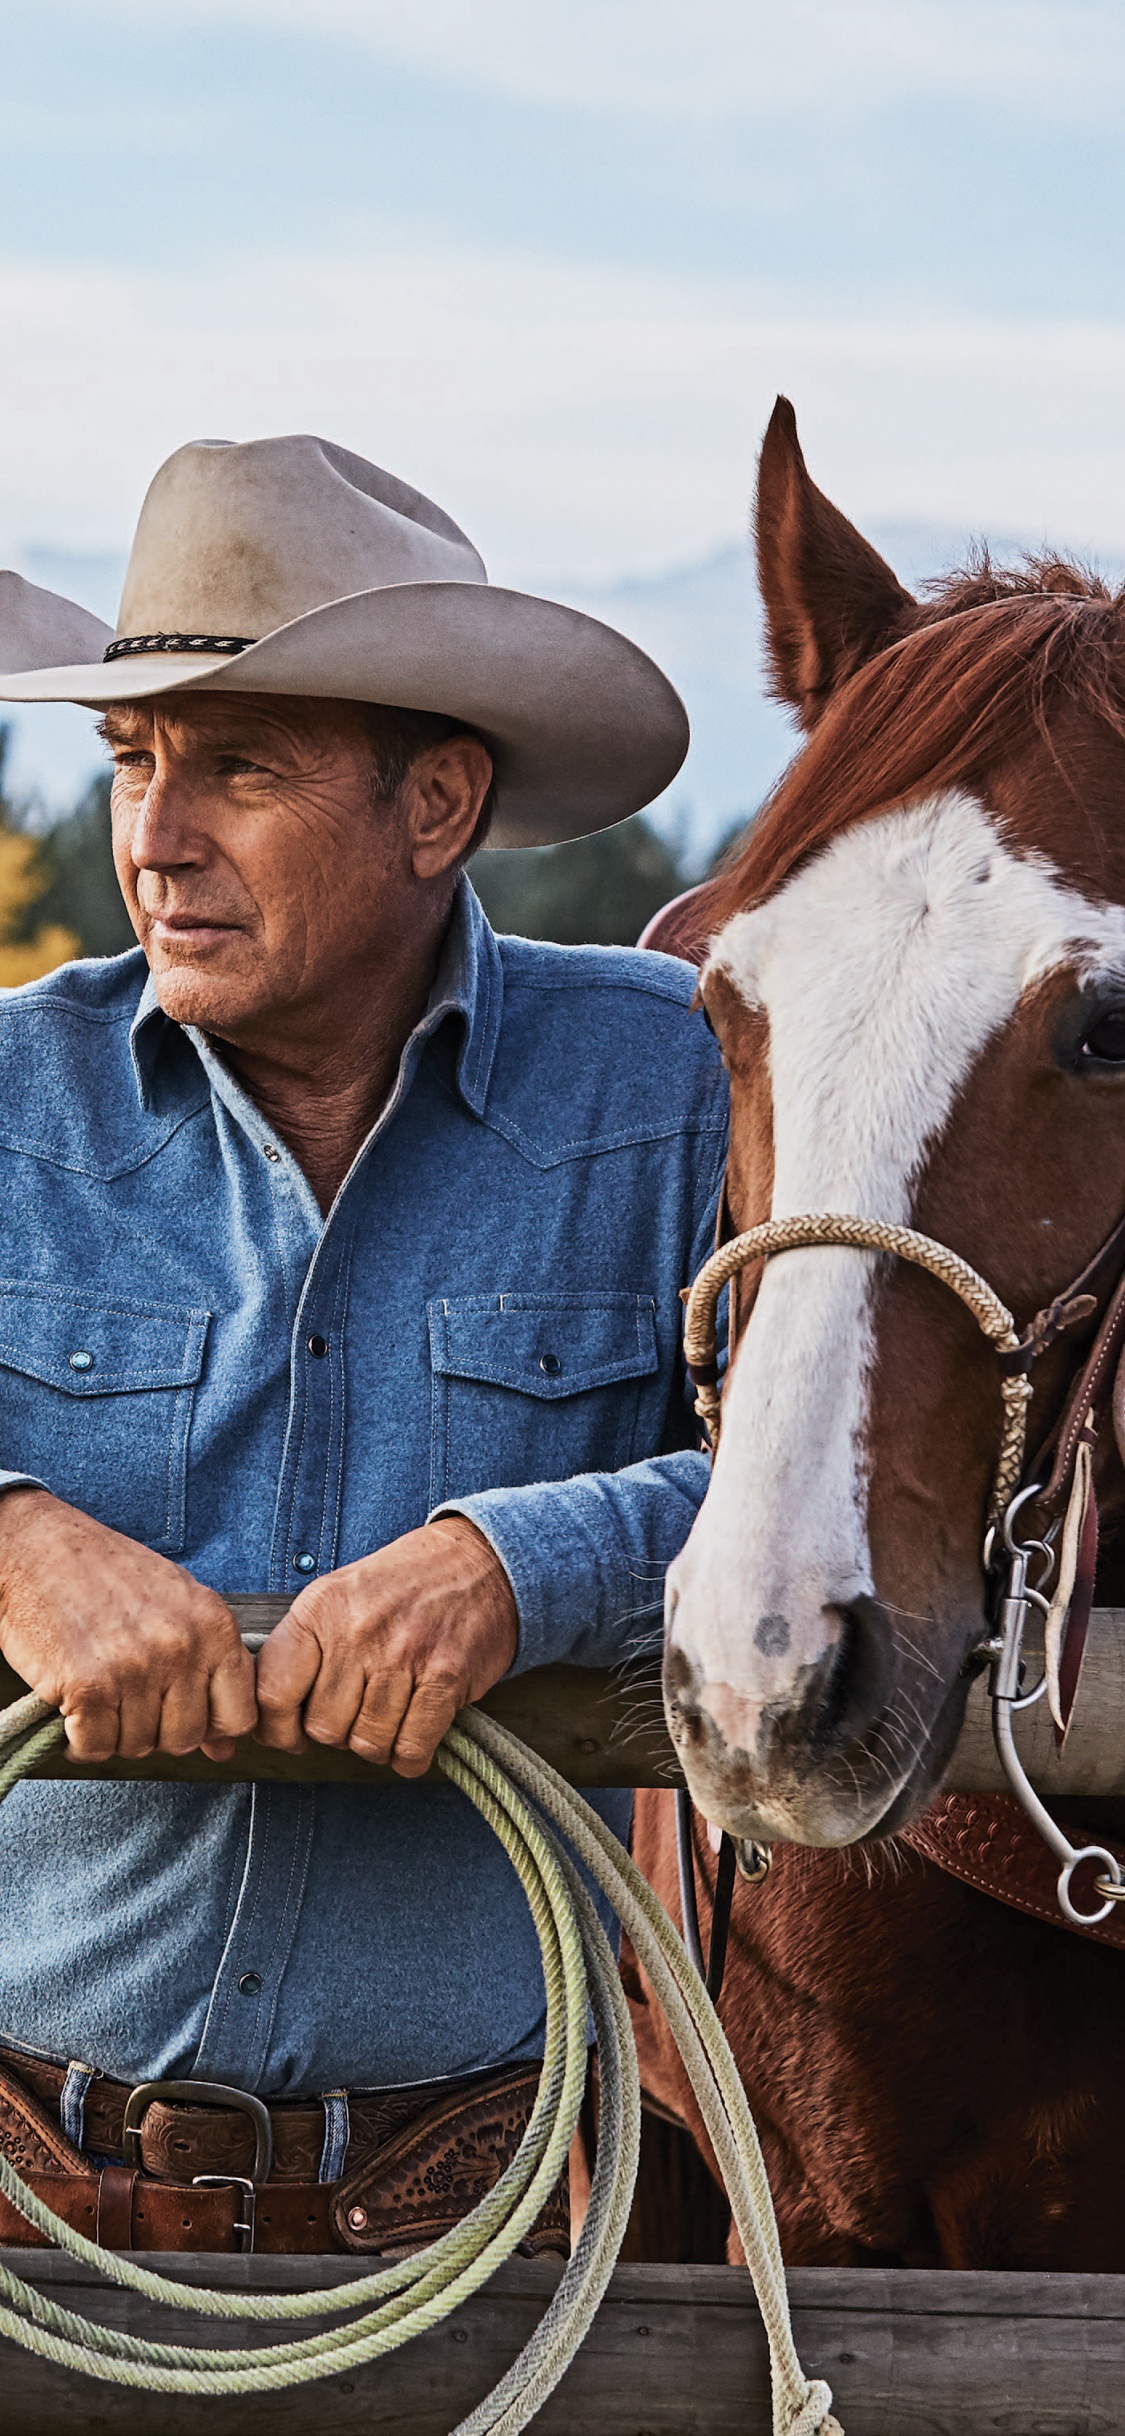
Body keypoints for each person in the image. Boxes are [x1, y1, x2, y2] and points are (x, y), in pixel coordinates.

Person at [0, 436, 726, 2256]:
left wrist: (521, 1561)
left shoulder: (678, 1089)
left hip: (475, 2194)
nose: (156, 838)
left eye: (236, 766)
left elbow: (848, 1474)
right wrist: (12, 1537)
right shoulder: (12, 1099)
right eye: (133, 762)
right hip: (22, 2167)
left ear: (436, 807)